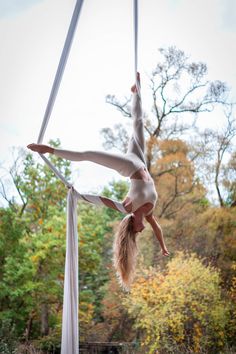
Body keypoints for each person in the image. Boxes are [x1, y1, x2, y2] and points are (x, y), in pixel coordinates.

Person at [27, 73, 169, 289]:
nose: (142, 231)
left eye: (138, 232)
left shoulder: (127, 208)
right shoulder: (148, 215)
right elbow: (158, 230)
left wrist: (80, 195)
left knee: (88, 154)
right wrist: (163, 247)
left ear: (133, 225)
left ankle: (49, 149)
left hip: (129, 166)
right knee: (139, 122)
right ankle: (135, 92)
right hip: (140, 160)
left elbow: (101, 200)